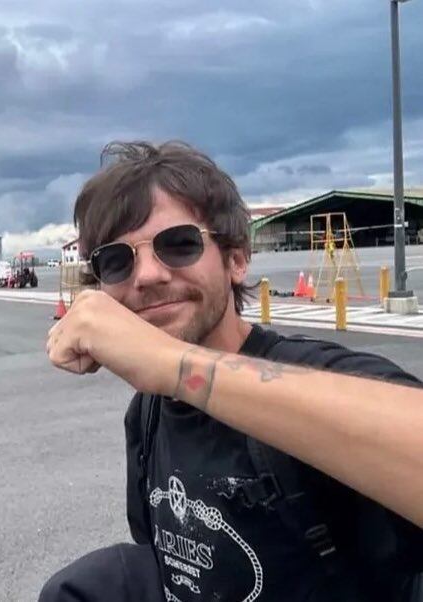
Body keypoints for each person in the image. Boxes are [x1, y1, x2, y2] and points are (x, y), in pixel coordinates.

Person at [41, 141, 423, 601]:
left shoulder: (324, 379)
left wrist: (173, 364)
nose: (145, 276)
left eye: (178, 244)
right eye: (116, 260)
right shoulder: (146, 414)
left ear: (236, 260)